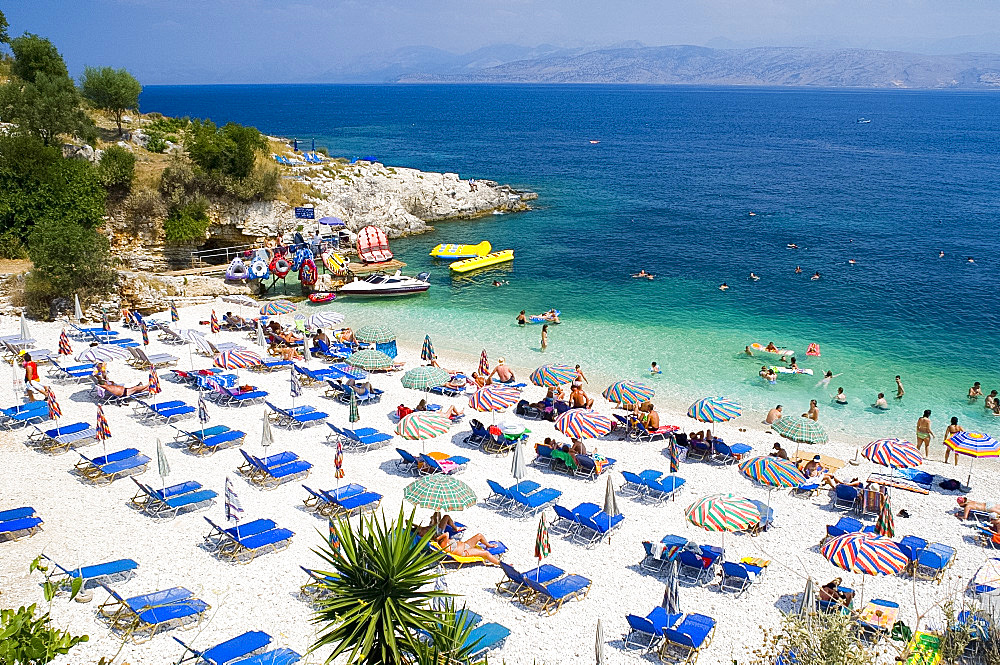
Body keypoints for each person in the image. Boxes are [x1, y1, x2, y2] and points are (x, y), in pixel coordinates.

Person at [434, 532, 502, 565]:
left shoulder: (445, 540)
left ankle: (488, 545)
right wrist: (438, 539)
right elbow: (447, 533)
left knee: (479, 535)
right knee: (486, 553)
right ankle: (500, 564)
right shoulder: (443, 544)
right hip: (465, 551)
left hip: (466, 545)